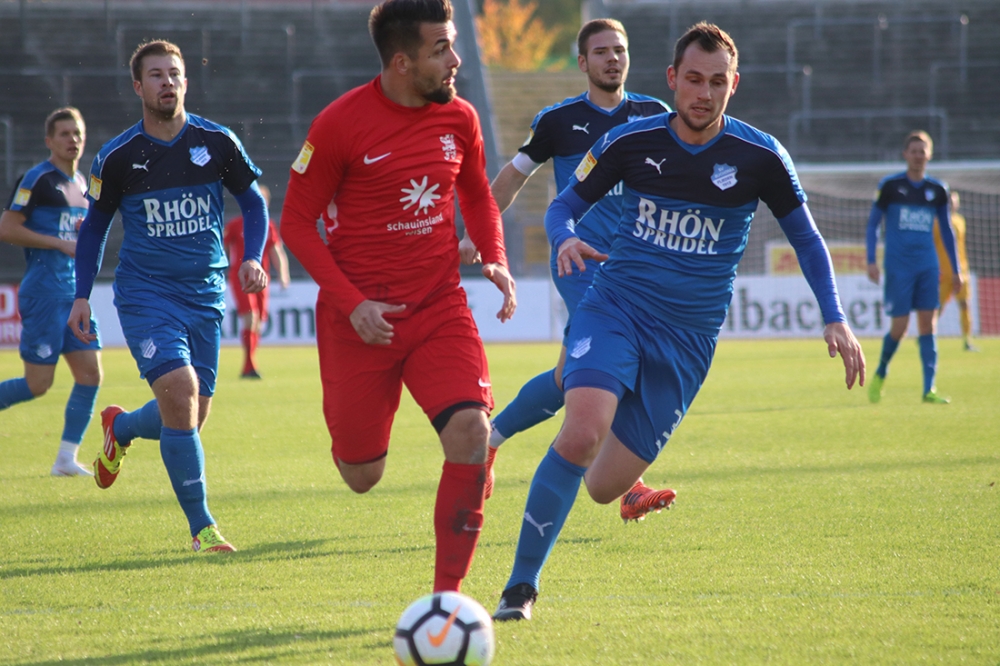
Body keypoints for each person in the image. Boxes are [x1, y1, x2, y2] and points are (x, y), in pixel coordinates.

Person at [492, 22, 866, 621]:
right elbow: (563, 205)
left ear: (733, 85)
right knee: (582, 431)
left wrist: (835, 316)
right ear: (672, 79)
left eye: (717, 82)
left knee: (603, 486)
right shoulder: (630, 141)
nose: (704, 92)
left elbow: (806, 238)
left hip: (687, 341)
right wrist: (563, 237)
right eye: (693, 79)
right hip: (615, 306)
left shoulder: (761, 156)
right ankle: (520, 589)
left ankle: (574, 437)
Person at [278, 0, 516, 593]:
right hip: (360, 320)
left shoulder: (460, 117)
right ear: (402, 63)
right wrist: (352, 304)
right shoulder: (339, 124)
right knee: (362, 475)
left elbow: (477, 196)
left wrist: (495, 256)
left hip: (438, 306)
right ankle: (357, 443)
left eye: (453, 45)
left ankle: (446, 603)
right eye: (442, 49)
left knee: (471, 432)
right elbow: (297, 223)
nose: (456, 60)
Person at [458, 19, 671, 510]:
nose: (612, 59)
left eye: (619, 50)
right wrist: (476, 231)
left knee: (565, 379)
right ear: (582, 62)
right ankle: (629, 487)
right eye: (601, 52)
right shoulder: (559, 121)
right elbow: (513, 177)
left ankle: (489, 441)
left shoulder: (654, 114)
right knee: (617, 359)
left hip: (634, 267)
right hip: (579, 264)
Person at [68, 40, 270, 553]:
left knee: (192, 414)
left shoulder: (216, 141)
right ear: (138, 86)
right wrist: (81, 295)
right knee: (180, 393)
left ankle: (121, 427)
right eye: (156, 75)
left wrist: (253, 256)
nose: (167, 82)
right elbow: (94, 229)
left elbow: (253, 204)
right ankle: (203, 528)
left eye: (174, 73)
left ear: (186, 81)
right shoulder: (118, 156)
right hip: (146, 294)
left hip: (205, 294)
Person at [0, 107, 102, 476]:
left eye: (77, 133)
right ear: (49, 140)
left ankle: (65, 460)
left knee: (90, 374)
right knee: (38, 384)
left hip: (74, 296)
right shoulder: (37, 179)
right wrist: (58, 243)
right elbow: (7, 227)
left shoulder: (84, 184)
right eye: (64, 134)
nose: (72, 139)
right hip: (44, 293)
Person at [866, 131, 960, 404]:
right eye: (914, 151)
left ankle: (929, 389)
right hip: (898, 267)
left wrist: (956, 270)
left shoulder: (937, 190)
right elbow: (873, 225)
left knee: (929, 324)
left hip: (927, 265)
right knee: (900, 327)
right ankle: (881, 371)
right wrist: (871, 260)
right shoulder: (891, 186)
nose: (918, 156)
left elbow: (947, 231)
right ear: (905, 154)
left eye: (923, 151)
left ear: (930, 155)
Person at [223, 184, 291, 378]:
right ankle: (249, 365)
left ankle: (250, 364)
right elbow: (221, 248)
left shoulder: (268, 226)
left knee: (259, 322)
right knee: (250, 317)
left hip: (263, 279)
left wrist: (283, 274)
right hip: (241, 278)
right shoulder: (236, 225)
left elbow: (277, 251)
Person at [934, 190, 977, 352]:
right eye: (950, 202)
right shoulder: (936, 222)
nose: (952, 204)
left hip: (961, 271)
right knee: (938, 307)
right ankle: (927, 334)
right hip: (943, 272)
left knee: (965, 304)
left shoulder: (960, 221)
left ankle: (967, 339)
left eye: (954, 202)